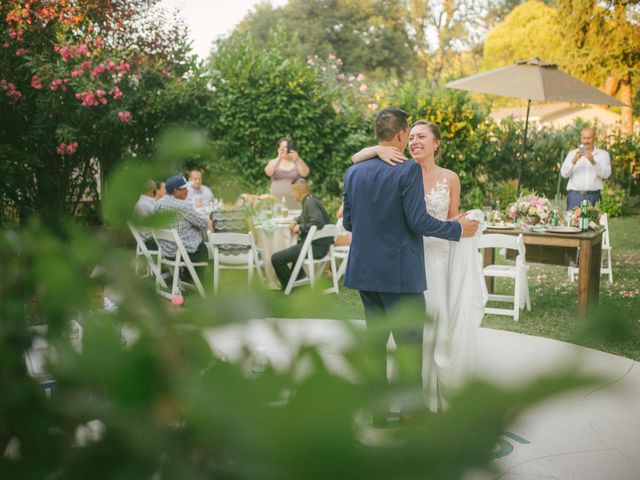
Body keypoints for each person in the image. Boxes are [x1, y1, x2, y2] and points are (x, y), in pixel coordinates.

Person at [343, 108, 479, 422]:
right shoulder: (407, 170)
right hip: (400, 275)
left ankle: (377, 411)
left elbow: (349, 222)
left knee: (375, 342)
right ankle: (410, 415)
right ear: (402, 134)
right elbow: (418, 221)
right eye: (411, 133)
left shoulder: (354, 172)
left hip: (365, 273)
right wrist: (457, 230)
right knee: (409, 345)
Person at [271, 178, 332, 290]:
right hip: (318, 246)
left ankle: (290, 289)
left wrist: (301, 227)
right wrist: (296, 220)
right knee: (294, 253)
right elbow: (305, 216)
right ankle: (294, 286)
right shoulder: (310, 200)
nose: (291, 194)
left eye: (292, 191)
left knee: (276, 258)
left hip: (314, 248)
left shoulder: (309, 203)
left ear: (299, 192)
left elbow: (317, 222)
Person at [156, 174, 212, 262]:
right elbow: (204, 223)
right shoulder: (183, 206)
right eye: (185, 188)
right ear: (176, 191)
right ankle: (201, 275)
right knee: (209, 248)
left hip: (166, 252)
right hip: (185, 254)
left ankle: (186, 274)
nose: (187, 190)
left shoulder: (158, 203)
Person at [560, 127, 611, 210]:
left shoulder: (603, 154)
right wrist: (574, 160)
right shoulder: (572, 153)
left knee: (594, 223)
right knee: (573, 222)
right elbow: (564, 174)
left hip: (594, 196)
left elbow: (606, 174)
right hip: (575, 197)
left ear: (594, 138)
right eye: (584, 138)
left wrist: (593, 162)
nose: (586, 141)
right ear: (581, 138)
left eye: (589, 138)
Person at [264, 137, 310, 209]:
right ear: (278, 149)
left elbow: (305, 173)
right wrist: (279, 157)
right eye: (283, 147)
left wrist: (297, 158)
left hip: (295, 200)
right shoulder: (274, 162)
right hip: (276, 199)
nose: (285, 150)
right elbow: (268, 172)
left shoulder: (297, 161)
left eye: (287, 147)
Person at [133, 179, 158, 249]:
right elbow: (145, 232)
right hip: (149, 243)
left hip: (154, 239)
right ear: (153, 189)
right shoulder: (142, 205)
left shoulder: (149, 202)